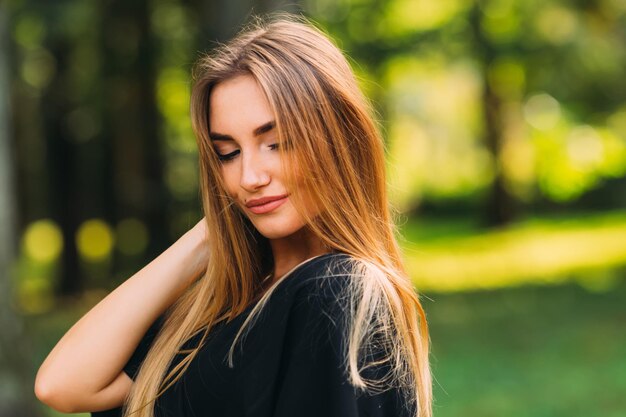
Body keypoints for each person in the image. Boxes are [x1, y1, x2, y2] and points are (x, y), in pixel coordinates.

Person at [34, 13, 432, 417]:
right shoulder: (212, 315)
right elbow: (62, 384)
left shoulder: (335, 292)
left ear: (338, 141)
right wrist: (208, 237)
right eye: (228, 153)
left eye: (277, 143)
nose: (249, 177)